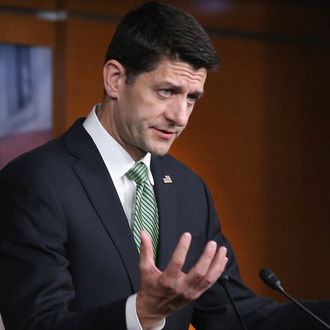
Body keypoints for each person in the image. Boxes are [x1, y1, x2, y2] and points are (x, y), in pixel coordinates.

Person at [0, 2, 329, 330]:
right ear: (115, 79)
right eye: (167, 91)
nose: (180, 117)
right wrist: (139, 314)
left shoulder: (190, 190)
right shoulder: (34, 182)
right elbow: (36, 323)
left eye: (191, 98)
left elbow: (238, 317)